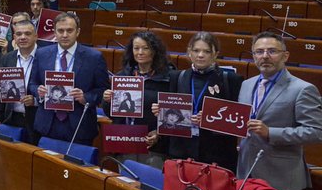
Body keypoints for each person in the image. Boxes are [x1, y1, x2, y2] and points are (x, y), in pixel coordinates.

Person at [237, 32, 322, 190]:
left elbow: (316, 132)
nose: (265, 56)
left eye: (272, 51)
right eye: (259, 52)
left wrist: (270, 132)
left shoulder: (303, 89)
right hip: (246, 173)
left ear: (285, 56)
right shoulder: (246, 85)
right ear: (253, 56)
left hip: (281, 177)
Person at [161, 32, 241, 171]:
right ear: (189, 52)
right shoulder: (177, 77)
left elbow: (237, 119)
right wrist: (161, 111)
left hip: (216, 154)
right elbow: (171, 114)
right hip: (182, 151)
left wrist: (209, 119)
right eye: (196, 50)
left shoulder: (230, 79)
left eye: (207, 51)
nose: (200, 55)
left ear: (215, 54)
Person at [28, 13, 109, 145]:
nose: (65, 35)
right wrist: (38, 91)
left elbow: (103, 90)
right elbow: (32, 83)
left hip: (79, 125)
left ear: (78, 32)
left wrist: (86, 97)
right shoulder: (41, 54)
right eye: (60, 30)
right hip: (47, 124)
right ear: (54, 32)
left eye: (69, 30)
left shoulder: (94, 57)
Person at [102, 31, 174, 168]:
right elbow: (111, 113)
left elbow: (176, 114)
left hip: (153, 147)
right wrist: (107, 100)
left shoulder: (168, 78)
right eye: (136, 48)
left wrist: (159, 133)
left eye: (145, 48)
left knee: (150, 187)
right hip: (125, 143)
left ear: (154, 51)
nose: (140, 52)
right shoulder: (122, 76)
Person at [0, 20, 41, 143]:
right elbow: (1, 89)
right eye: (19, 34)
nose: (23, 37)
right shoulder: (7, 58)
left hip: (36, 119)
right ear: (14, 37)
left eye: (27, 34)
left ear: (36, 36)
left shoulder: (45, 57)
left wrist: (35, 100)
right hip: (11, 118)